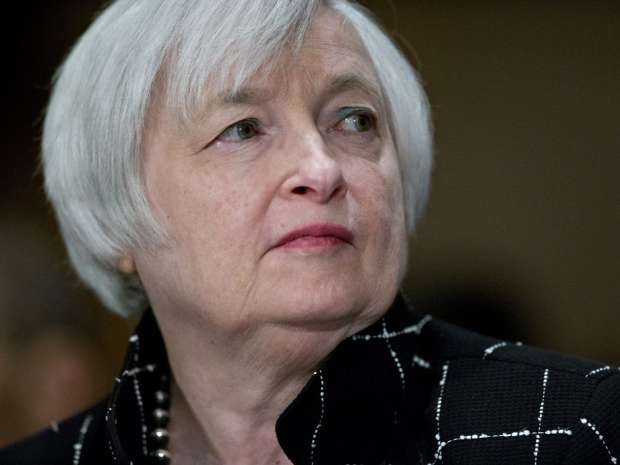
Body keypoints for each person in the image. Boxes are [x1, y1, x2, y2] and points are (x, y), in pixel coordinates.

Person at [1, 0, 618, 464]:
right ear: (117, 217)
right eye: (242, 129)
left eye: (354, 120)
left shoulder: (575, 431)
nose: (321, 170)